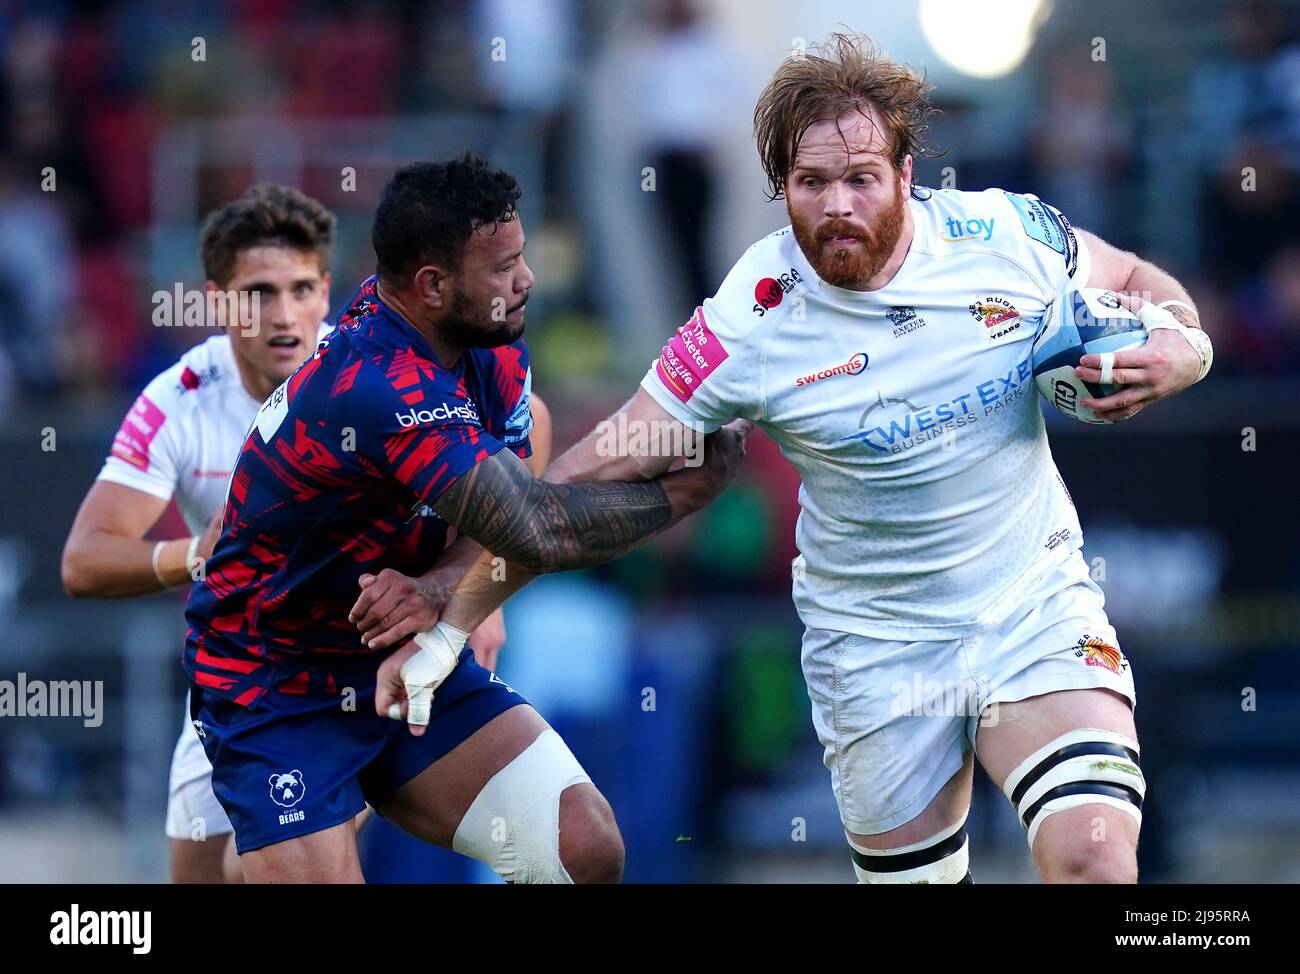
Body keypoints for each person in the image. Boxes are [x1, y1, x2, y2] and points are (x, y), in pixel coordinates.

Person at [360, 35, 1215, 884]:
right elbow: (598, 464)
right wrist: (449, 597)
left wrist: (1187, 346)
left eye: (860, 179)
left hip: (1030, 606)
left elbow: (1138, 277)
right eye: (811, 183)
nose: (837, 205)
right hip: (873, 645)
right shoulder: (750, 317)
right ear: (782, 188)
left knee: (1094, 860)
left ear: (907, 174)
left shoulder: (1008, 236)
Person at [182, 155, 747, 883]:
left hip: (402, 648)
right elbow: (535, 529)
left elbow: (529, 454)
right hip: (276, 683)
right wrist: (685, 495)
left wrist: (444, 589)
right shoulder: (380, 385)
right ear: (433, 286)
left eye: (522, 257)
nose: (527, 279)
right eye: (505, 266)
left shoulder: (483, 343)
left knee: (584, 846)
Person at [62, 184, 339, 882]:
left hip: (351, 677)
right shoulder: (178, 398)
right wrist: (194, 554)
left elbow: (528, 419)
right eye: (258, 294)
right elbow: (83, 561)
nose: (285, 316)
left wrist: (479, 598)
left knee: (264, 865)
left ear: (326, 292)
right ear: (217, 303)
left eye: (301, 289)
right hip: (236, 681)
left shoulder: (365, 375)